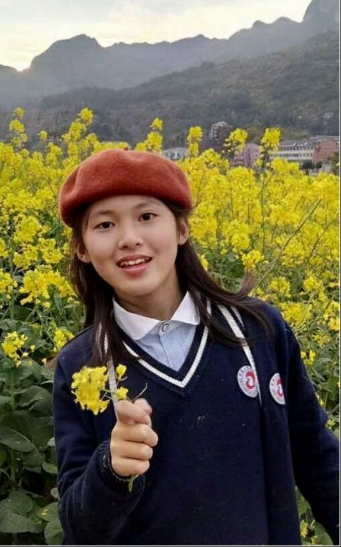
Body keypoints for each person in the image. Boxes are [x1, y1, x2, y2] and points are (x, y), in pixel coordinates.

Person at [52, 148, 339, 545]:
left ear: (182, 229)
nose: (129, 239)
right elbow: (77, 525)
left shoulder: (257, 331)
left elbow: (317, 457)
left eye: (147, 217)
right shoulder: (82, 366)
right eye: (104, 225)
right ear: (82, 249)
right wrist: (111, 470)